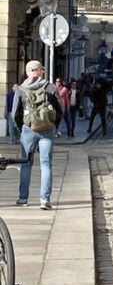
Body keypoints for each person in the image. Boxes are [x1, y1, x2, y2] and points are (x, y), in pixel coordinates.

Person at [12, 60, 63, 210]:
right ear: (40, 71)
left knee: (25, 164)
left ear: (28, 72)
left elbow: (14, 113)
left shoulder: (20, 89)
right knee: (46, 164)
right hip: (46, 129)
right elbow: (60, 109)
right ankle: (44, 199)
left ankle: (23, 198)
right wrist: (55, 125)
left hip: (29, 130)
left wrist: (23, 126)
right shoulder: (50, 87)